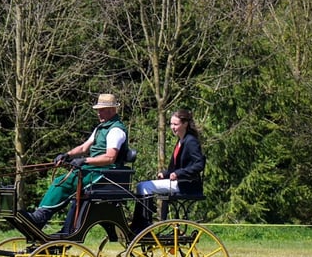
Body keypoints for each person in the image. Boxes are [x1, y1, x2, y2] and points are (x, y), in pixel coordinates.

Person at [21, 93, 129, 231]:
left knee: (64, 182)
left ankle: (40, 217)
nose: (98, 113)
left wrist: (85, 160)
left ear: (111, 110)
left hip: (105, 174)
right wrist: (67, 155)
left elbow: (110, 158)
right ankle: (48, 219)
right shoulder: (100, 128)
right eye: (98, 110)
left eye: (101, 110)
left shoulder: (115, 130)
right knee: (62, 180)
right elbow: (84, 147)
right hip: (95, 170)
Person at [129, 108, 206, 232]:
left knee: (144, 187)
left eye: (176, 124)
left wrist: (178, 173)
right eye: (171, 124)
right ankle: (140, 223)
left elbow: (199, 164)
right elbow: (175, 167)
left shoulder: (190, 141)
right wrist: (165, 173)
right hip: (179, 182)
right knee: (142, 185)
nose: (172, 127)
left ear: (185, 124)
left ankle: (144, 225)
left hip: (187, 184)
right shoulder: (181, 141)